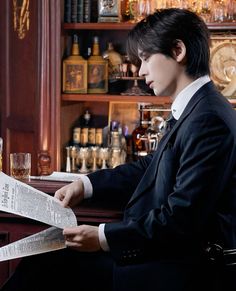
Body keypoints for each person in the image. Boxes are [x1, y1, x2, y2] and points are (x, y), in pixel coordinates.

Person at [2, 8, 236, 291]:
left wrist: (102, 237)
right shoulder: (198, 107)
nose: (141, 71)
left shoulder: (209, 119)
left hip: (176, 270)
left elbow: (181, 220)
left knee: (43, 266)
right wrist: (86, 184)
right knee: (42, 262)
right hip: (163, 258)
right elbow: (149, 167)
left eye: (146, 58)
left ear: (178, 50)